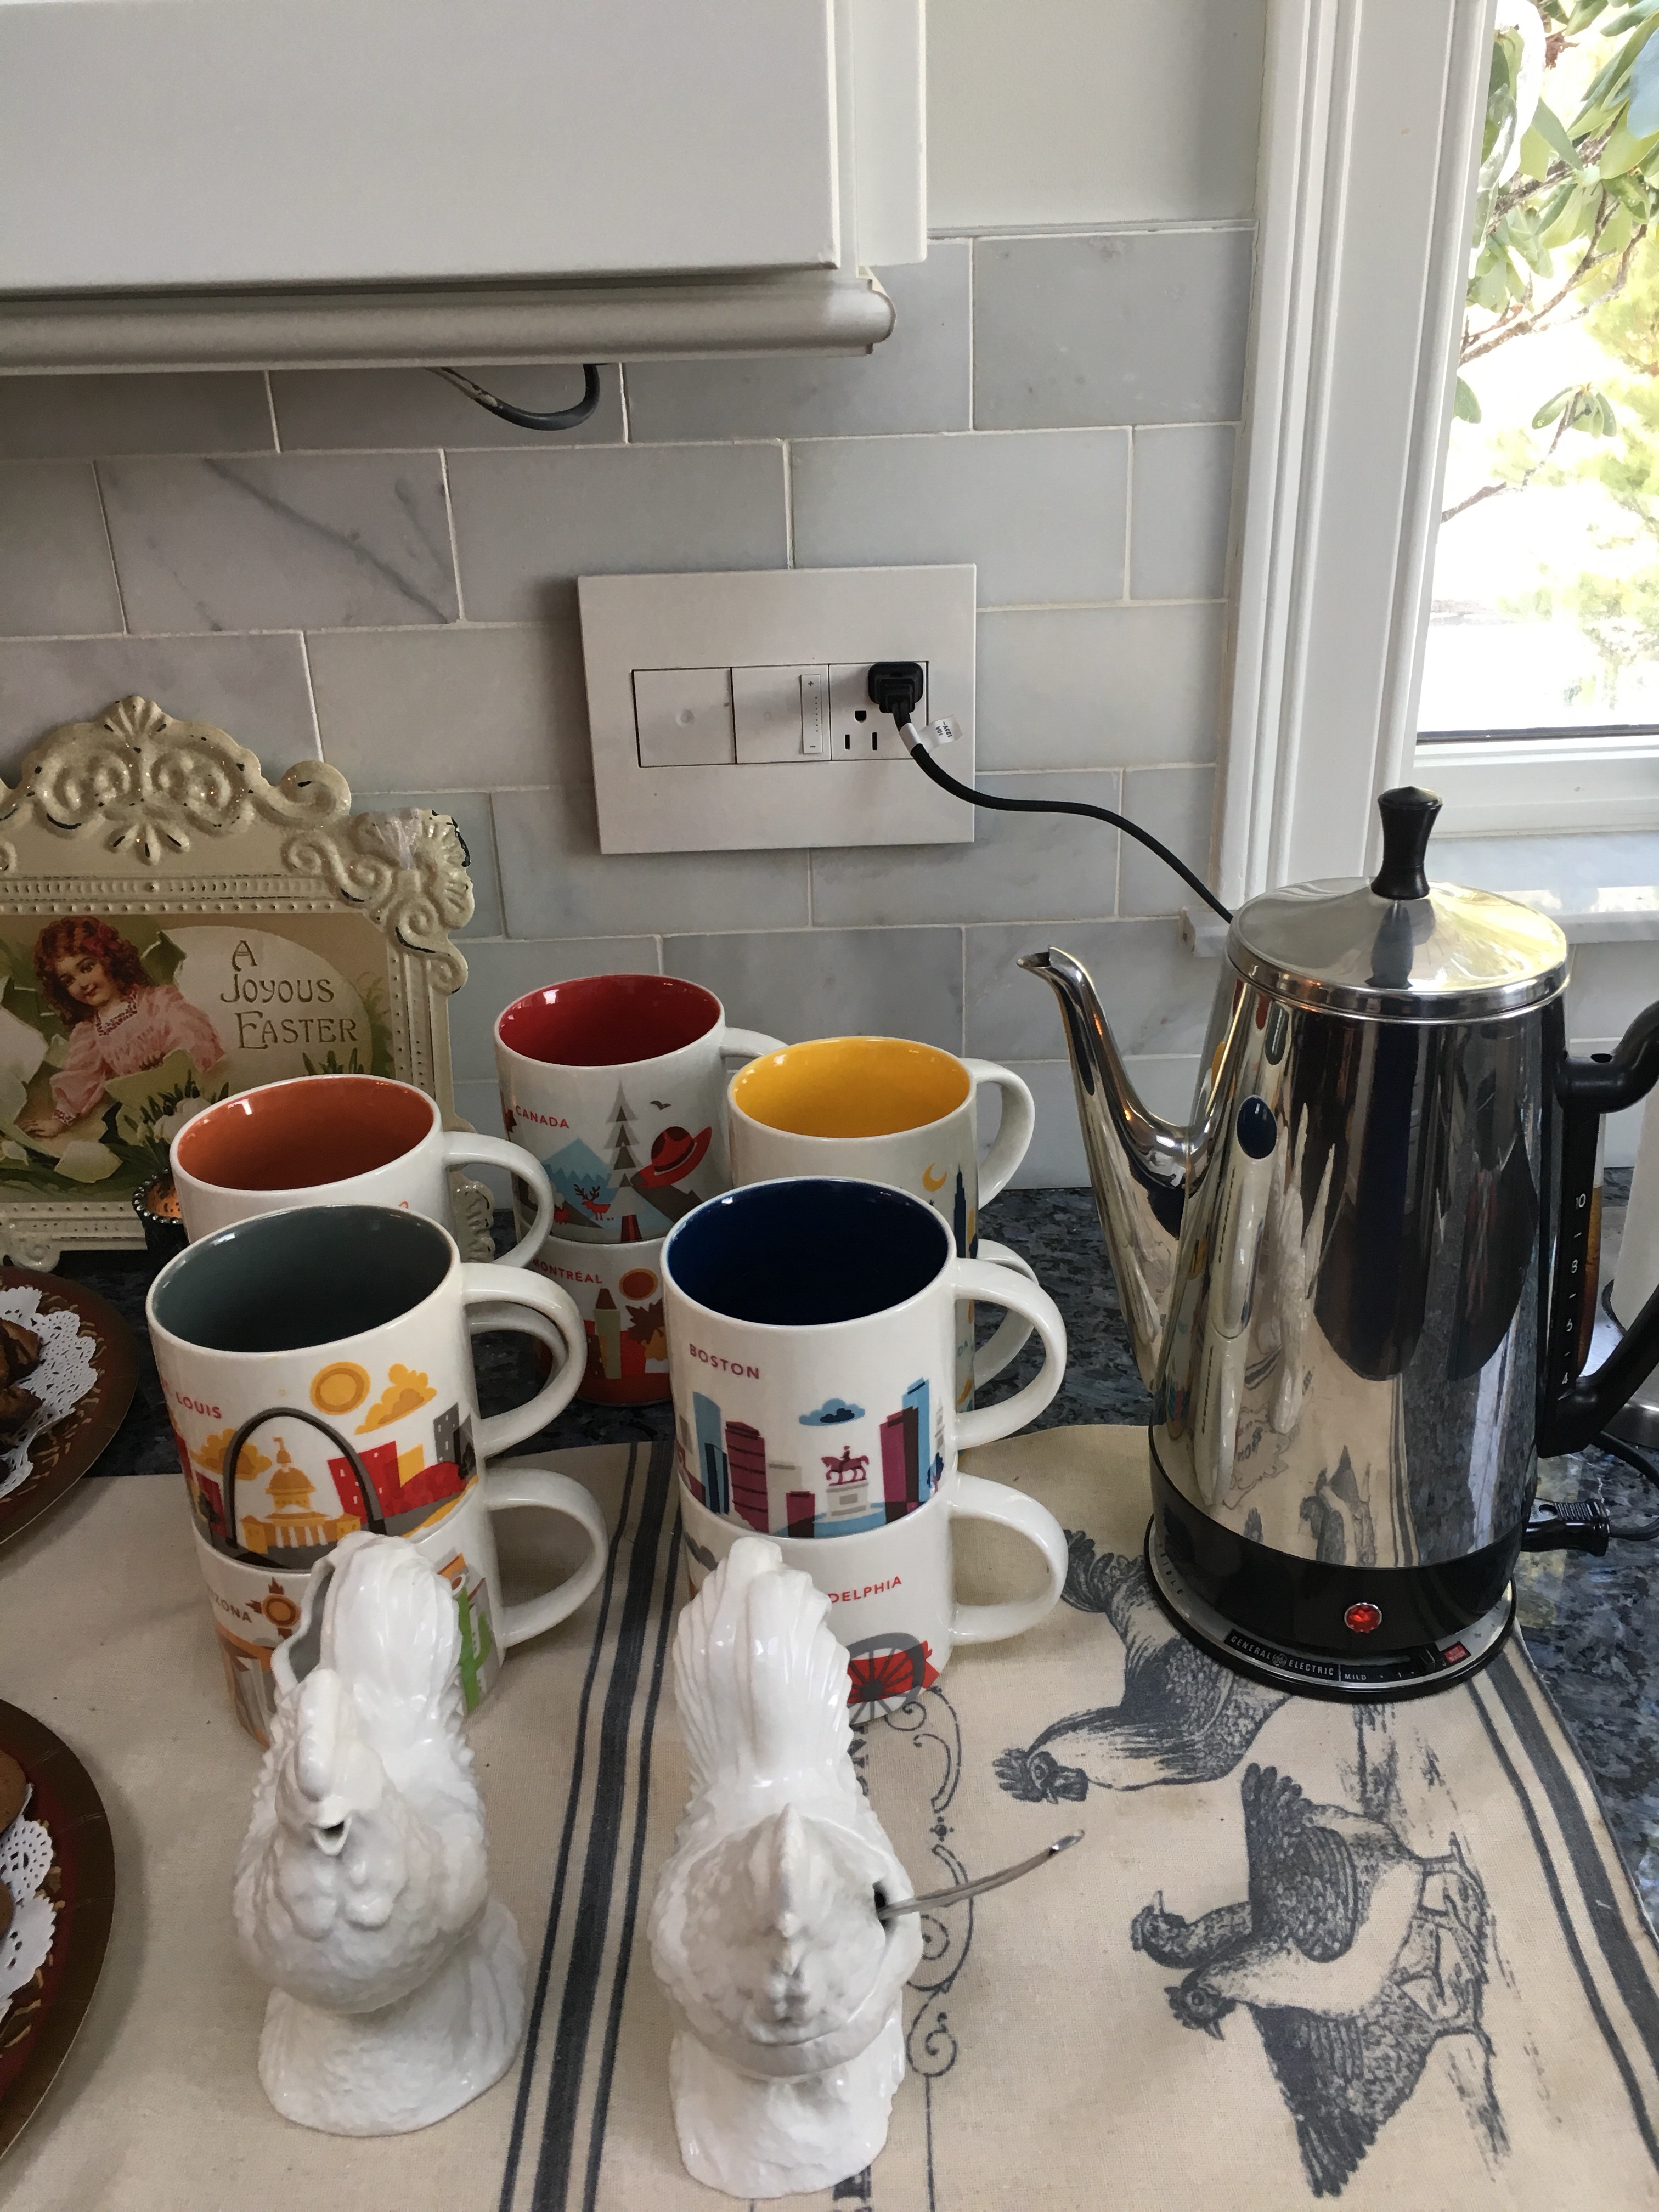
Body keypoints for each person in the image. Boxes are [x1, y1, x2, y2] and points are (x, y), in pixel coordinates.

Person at [16, 917, 226, 1137]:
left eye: (87, 967)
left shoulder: (157, 1002)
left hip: (195, 1096)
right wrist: (59, 1121)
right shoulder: (90, 1033)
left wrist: (167, 1060)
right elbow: (81, 1079)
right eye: (69, 981)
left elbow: (192, 1036)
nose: (83, 984)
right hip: (148, 1110)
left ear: (108, 960)